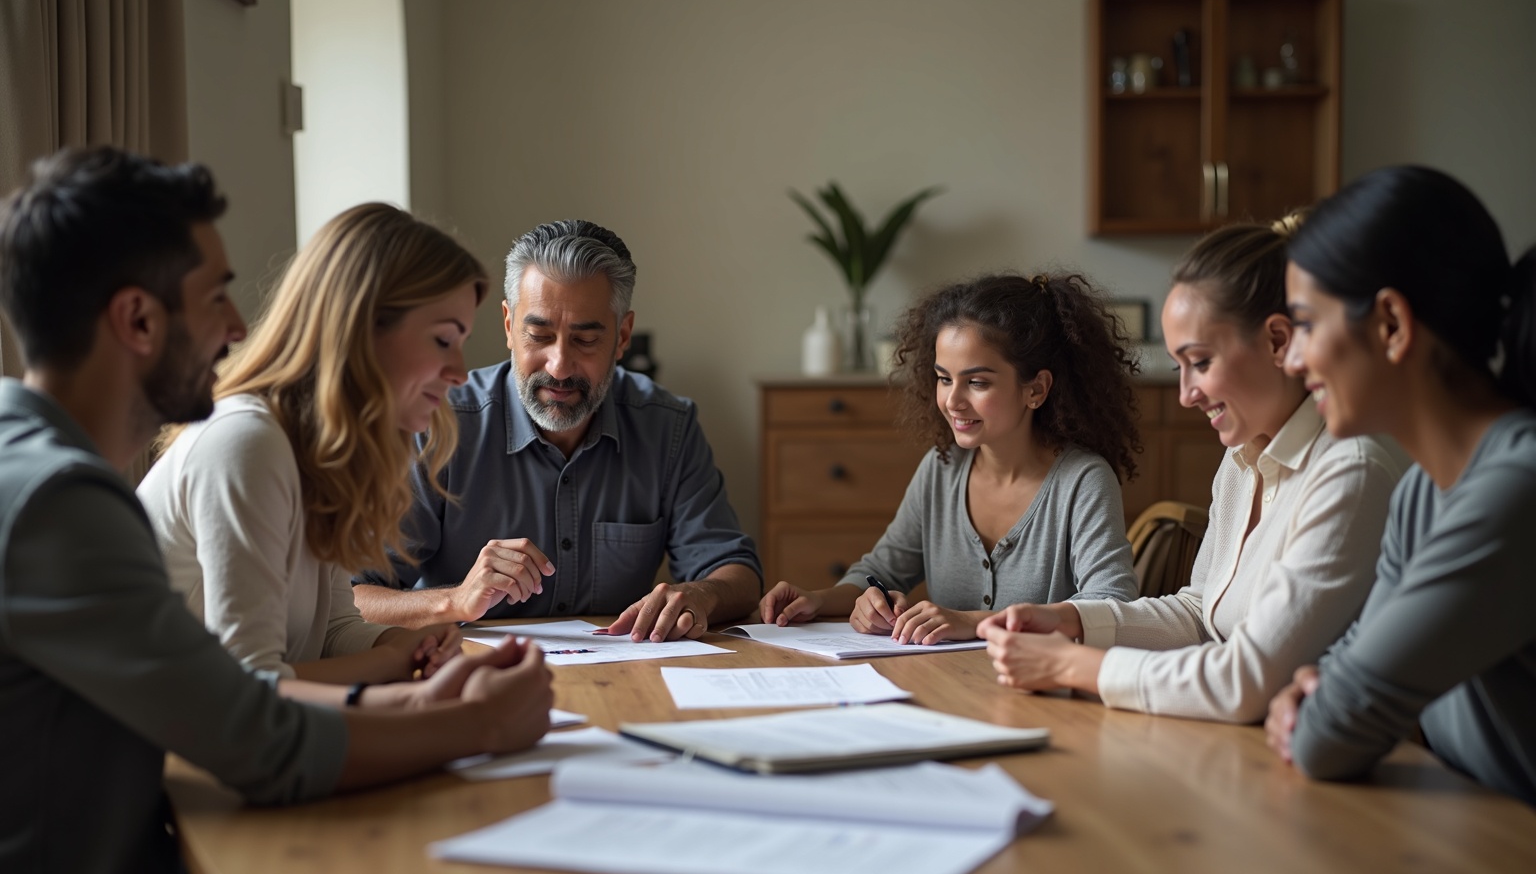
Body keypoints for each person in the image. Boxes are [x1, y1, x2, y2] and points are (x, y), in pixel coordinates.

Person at [0, 146, 552, 874]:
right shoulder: (60, 505)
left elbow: (257, 687)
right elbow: (258, 735)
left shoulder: (45, 468)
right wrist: (470, 722)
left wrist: (422, 686)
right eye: (216, 296)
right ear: (138, 321)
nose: (235, 325)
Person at [978, 220, 1408, 723]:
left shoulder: (1350, 472)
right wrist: (1070, 618)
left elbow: (1248, 682)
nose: (1185, 394)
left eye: (1200, 362)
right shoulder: (1242, 458)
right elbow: (1201, 613)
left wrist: (1075, 666)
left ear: (1277, 341)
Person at [351, 219, 762, 642]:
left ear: (622, 337)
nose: (559, 366)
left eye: (585, 341)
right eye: (539, 335)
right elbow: (351, 597)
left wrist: (699, 594)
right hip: (470, 679)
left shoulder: (668, 427)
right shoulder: (438, 424)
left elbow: (736, 573)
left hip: (624, 682)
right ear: (509, 327)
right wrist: (455, 600)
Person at [1265, 166, 1536, 805]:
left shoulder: (1515, 491)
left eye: (1305, 324)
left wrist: (1320, 705)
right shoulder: (1420, 493)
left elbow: (1331, 732)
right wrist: (1316, 697)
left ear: (1390, 323)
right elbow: (1339, 678)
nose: (1293, 359)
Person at [139, 203, 480, 688]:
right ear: (362, 328)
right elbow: (249, 687)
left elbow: (334, 630)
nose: (461, 372)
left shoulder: (320, 457)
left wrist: (403, 643)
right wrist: (394, 666)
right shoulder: (247, 443)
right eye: (444, 339)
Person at [759, 272, 1141, 642]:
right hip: (950, 686)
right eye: (944, 378)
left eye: (977, 382)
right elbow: (881, 570)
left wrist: (974, 622)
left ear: (1036, 389)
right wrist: (824, 600)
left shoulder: (1083, 481)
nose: (953, 401)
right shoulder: (942, 467)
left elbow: (1111, 605)